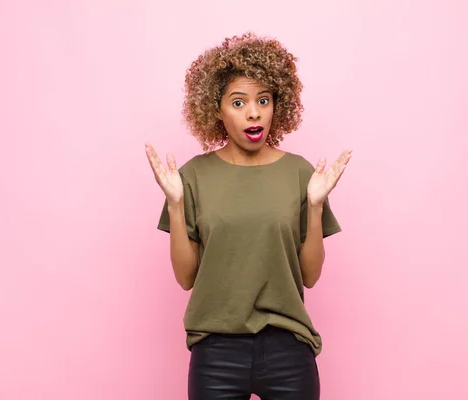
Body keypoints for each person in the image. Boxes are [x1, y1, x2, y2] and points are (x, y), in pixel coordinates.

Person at [145, 32, 352, 400]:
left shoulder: (301, 173)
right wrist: (176, 205)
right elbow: (186, 277)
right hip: (216, 352)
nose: (253, 112)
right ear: (216, 109)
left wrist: (316, 206)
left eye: (263, 100)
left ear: (278, 105)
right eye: (238, 102)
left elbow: (311, 275)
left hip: (289, 348)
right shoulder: (192, 176)